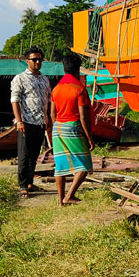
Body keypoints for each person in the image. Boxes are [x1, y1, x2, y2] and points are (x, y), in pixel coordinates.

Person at [51, 52, 95, 206]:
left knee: (60, 166)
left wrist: (54, 131)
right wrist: (90, 138)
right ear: (78, 70)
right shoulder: (79, 89)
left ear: (64, 69)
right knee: (84, 166)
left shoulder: (56, 89)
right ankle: (69, 196)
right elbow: (83, 117)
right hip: (72, 126)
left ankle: (60, 202)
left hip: (57, 128)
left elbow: (52, 114)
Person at [10, 46, 52, 198]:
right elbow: (15, 100)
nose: (37, 62)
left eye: (40, 59)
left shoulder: (44, 79)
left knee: (34, 155)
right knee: (24, 155)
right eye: (34, 60)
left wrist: (48, 118)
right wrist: (19, 121)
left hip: (40, 122)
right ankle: (22, 186)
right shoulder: (20, 78)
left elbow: (48, 99)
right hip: (25, 122)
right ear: (27, 61)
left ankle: (29, 182)